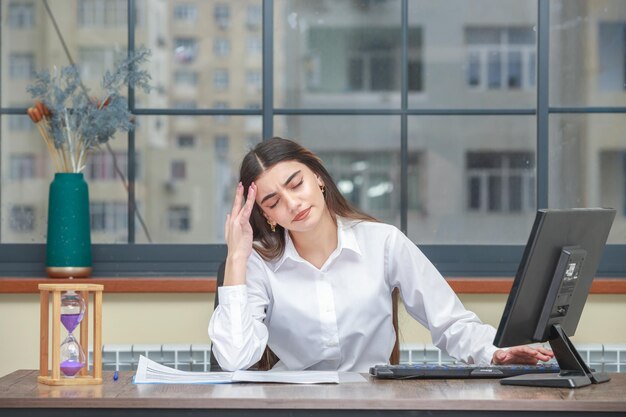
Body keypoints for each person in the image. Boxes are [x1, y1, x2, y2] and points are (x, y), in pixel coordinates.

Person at [208, 137, 553, 372]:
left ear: (318, 177)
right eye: (273, 202)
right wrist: (237, 259)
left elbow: (450, 323)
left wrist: (498, 353)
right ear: (267, 216)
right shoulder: (257, 265)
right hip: (295, 405)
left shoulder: (383, 243)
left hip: (372, 402)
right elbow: (235, 359)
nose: (292, 203)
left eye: (296, 184)